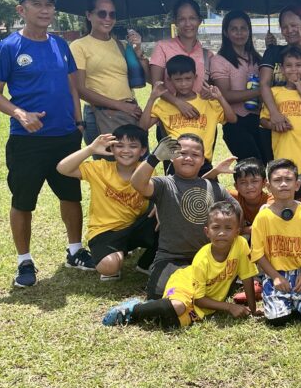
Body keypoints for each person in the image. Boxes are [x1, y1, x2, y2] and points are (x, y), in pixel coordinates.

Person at [0, 0, 87, 288]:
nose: (45, 11)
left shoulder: (60, 45)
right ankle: (24, 261)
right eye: (37, 5)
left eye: (49, 5)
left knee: (71, 195)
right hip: (27, 141)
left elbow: (72, 87)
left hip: (65, 136)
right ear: (22, 10)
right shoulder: (8, 47)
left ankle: (75, 250)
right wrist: (19, 113)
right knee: (24, 200)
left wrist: (79, 124)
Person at [101, 200, 257, 327]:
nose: (222, 233)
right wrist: (230, 307)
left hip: (204, 303)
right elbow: (198, 299)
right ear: (207, 232)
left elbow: (247, 276)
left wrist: (253, 309)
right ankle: (133, 309)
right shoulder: (202, 259)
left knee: (170, 323)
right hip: (186, 285)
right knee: (177, 307)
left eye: (228, 228)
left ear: (237, 231)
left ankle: (149, 311)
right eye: (216, 228)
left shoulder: (241, 244)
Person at [130, 134, 228, 298]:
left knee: (206, 296)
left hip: (206, 258)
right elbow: (138, 183)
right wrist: (154, 158)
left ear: (203, 160)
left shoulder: (215, 187)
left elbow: (235, 213)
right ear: (173, 156)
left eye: (195, 155)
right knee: (160, 296)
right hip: (171, 258)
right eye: (182, 153)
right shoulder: (164, 184)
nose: (188, 158)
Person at [56, 126, 156, 281]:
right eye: (119, 146)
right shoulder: (100, 168)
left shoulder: (146, 170)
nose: (126, 151)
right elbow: (63, 168)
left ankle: (147, 263)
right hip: (105, 231)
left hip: (135, 227)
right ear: (112, 149)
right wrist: (90, 149)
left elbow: (157, 192)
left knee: (168, 214)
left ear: (143, 151)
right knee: (109, 267)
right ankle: (115, 254)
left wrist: (160, 205)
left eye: (133, 146)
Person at [249, 158, 301, 325]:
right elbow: (258, 253)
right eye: (277, 180)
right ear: (268, 186)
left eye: (288, 180)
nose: (283, 184)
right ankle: (283, 301)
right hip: (276, 273)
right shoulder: (263, 217)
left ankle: (297, 301)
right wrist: (275, 277)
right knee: (278, 319)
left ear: (296, 185)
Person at [70, 0, 148, 144]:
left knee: (138, 165)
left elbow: (143, 79)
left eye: (112, 14)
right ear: (89, 15)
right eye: (102, 13)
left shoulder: (122, 45)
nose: (108, 19)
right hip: (102, 115)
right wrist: (121, 106)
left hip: (130, 112)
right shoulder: (79, 46)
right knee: (107, 166)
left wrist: (138, 52)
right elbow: (79, 89)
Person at [140, 55, 235, 174]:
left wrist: (220, 98)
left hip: (202, 162)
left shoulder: (207, 102)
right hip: (176, 161)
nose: (183, 83)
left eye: (188, 78)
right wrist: (151, 99)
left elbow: (232, 119)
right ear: (169, 79)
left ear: (195, 77)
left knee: (205, 192)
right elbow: (143, 126)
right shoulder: (163, 105)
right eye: (178, 80)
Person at [148, 0, 230, 123]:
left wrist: (210, 92)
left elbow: (215, 87)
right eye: (182, 19)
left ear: (199, 21)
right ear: (175, 21)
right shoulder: (162, 47)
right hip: (170, 121)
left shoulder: (208, 55)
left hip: (202, 122)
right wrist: (178, 103)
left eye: (192, 18)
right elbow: (156, 85)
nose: (188, 24)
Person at [258, 6, 301, 158]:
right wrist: (274, 113)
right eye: (284, 27)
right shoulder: (273, 52)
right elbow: (264, 84)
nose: (289, 30)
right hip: (276, 123)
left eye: (294, 25)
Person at [258, 45, 301, 178]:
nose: (293, 69)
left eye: (298, 65)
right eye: (289, 65)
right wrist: (274, 125)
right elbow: (263, 120)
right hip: (283, 154)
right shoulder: (275, 92)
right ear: (281, 69)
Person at [215, 10, 268, 163]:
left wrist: (271, 49)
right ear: (226, 32)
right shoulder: (220, 60)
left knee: (267, 164)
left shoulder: (257, 58)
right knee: (252, 166)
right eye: (234, 29)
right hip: (235, 122)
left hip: (259, 119)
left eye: (243, 28)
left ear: (249, 31)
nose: (239, 33)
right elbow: (225, 95)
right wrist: (258, 91)